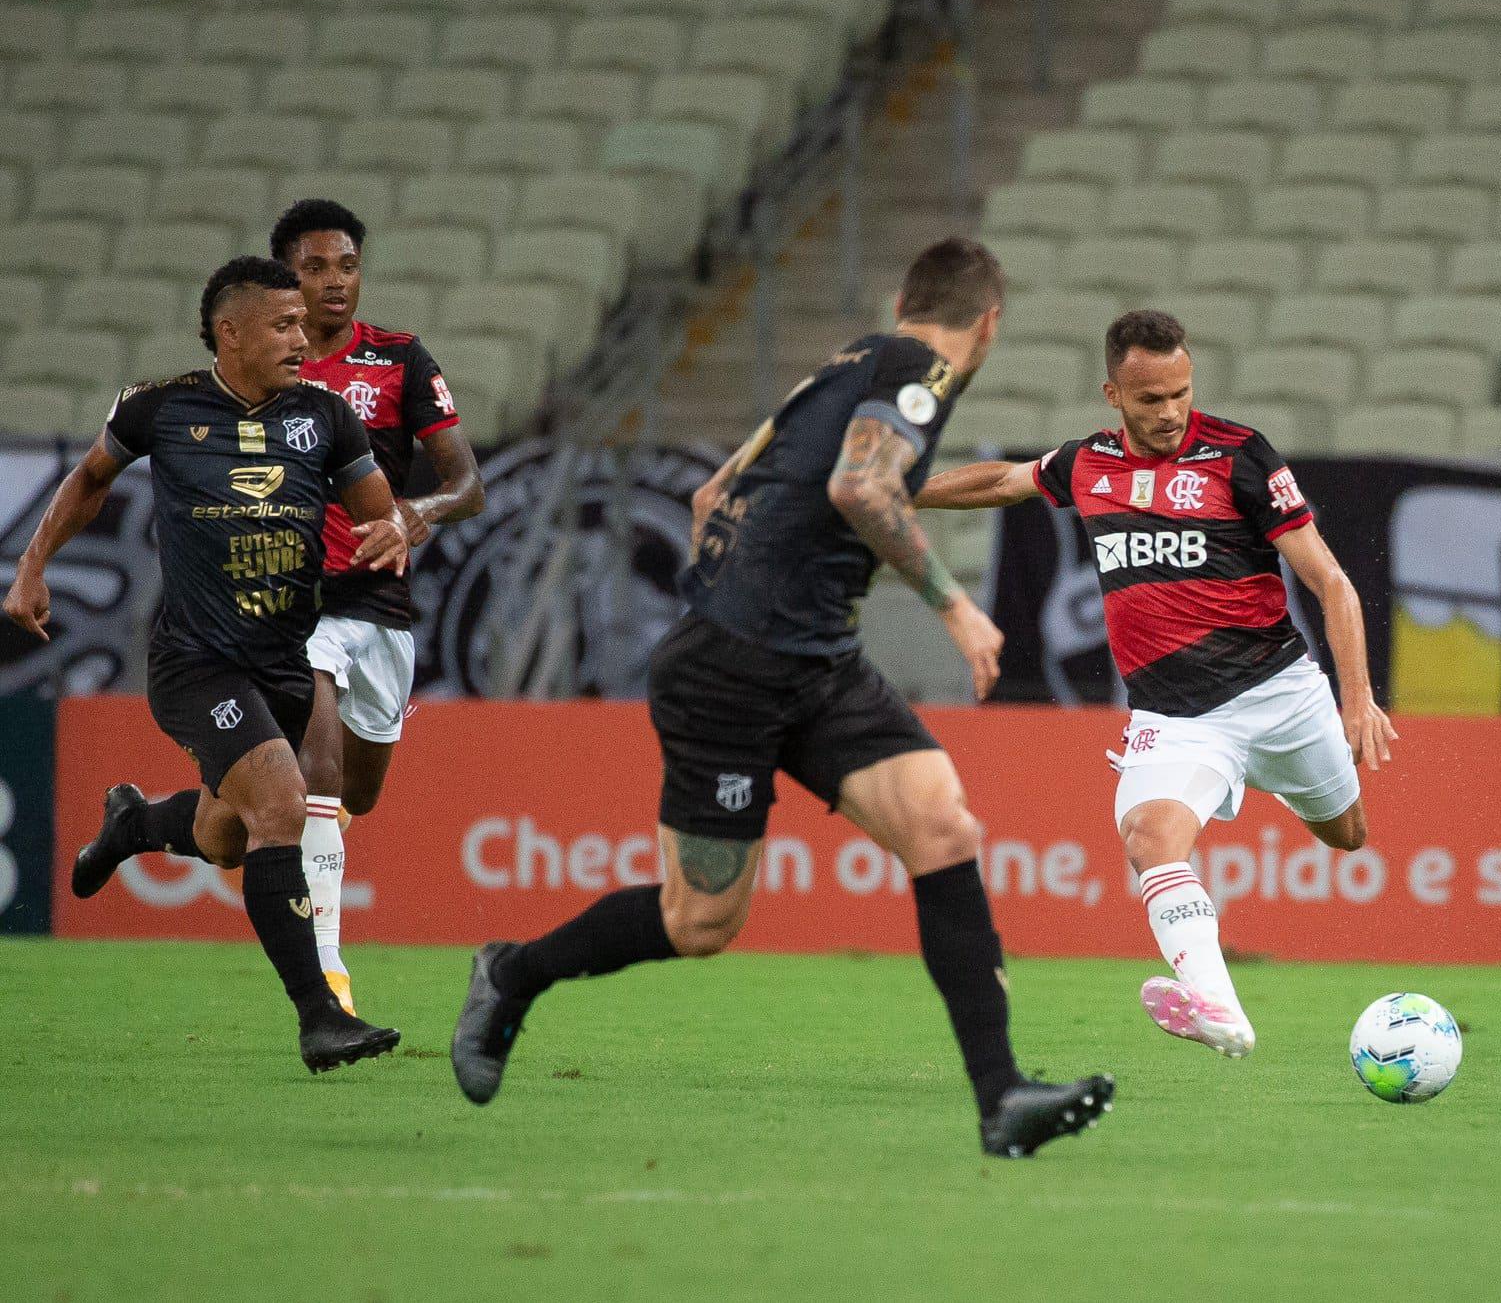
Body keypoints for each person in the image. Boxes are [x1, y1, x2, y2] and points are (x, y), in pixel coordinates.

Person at [450, 238, 1114, 1158]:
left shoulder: (847, 362)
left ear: (902, 296)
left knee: (943, 828)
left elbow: (716, 490)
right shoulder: (919, 372)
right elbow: (859, 484)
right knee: (700, 922)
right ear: (990, 321)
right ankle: (512, 973)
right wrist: (957, 609)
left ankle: (1001, 1097)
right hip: (732, 671)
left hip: (815, 659)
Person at [916, 309, 1398, 1059]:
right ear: (1112, 394)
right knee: (1147, 839)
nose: (1169, 412)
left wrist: (1357, 695)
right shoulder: (1087, 464)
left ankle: (1287, 787)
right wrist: (899, 492)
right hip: (1177, 718)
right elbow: (1003, 481)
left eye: (1179, 392)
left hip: (1279, 694)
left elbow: (1331, 581)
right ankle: (1219, 1009)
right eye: (1149, 399)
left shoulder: (1239, 455)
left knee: (1347, 834)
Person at [3, 256, 413, 1071]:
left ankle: (134, 823)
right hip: (196, 662)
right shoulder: (162, 408)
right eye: (283, 325)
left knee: (227, 838)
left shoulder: (326, 419)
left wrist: (393, 530)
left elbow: (379, 512)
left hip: (283, 662)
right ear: (230, 333)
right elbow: (89, 481)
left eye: (303, 324)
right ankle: (320, 1016)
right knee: (284, 811)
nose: (303, 338)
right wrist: (32, 566)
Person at [272, 198, 484, 1014]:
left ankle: (147, 825)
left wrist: (417, 512)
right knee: (317, 770)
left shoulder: (398, 360)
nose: (334, 282)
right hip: (297, 607)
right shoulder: (269, 370)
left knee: (356, 792)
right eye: (315, 267)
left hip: (381, 608)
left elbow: (467, 483)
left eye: (346, 266)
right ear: (284, 277)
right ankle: (328, 976)